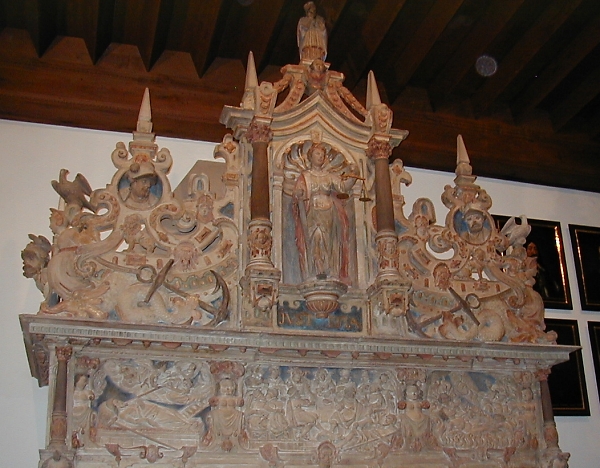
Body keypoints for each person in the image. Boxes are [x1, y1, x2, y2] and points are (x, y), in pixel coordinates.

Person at [292, 143, 356, 283]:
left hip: (329, 213)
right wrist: (299, 194)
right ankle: (317, 268)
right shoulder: (305, 176)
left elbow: (343, 187)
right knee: (315, 238)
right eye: (317, 153)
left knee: (330, 242)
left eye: (322, 154)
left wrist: (353, 176)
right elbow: (297, 194)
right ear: (310, 157)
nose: (320, 156)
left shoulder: (330, 176)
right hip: (312, 213)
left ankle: (329, 270)